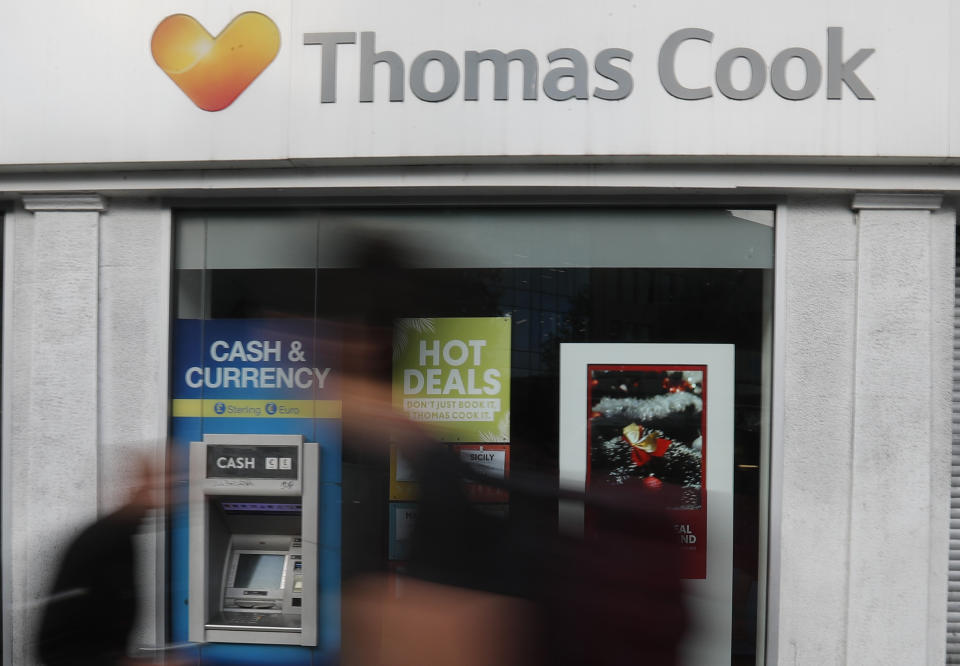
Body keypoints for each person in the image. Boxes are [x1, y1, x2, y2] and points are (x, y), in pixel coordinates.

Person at [36, 454, 165, 665]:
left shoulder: (124, 535)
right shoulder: (106, 540)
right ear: (138, 486)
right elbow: (60, 643)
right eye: (161, 483)